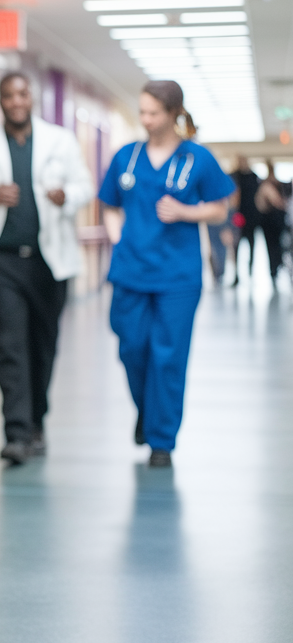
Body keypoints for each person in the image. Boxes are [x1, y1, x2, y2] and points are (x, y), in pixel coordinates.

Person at [0, 73, 94, 465]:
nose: (16, 101)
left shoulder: (60, 141)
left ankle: (36, 423)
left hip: (50, 261)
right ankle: (15, 433)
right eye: (8, 95)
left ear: (31, 98)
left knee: (43, 346)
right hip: (0, 260)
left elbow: (86, 187)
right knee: (10, 347)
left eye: (22, 94)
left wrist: (67, 196)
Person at [98, 80, 234, 468]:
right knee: (132, 348)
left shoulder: (198, 159)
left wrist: (186, 212)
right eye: (141, 112)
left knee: (169, 356)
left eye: (153, 113)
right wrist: (117, 234)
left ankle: (162, 439)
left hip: (177, 277)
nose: (145, 120)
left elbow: (220, 209)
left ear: (173, 114)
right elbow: (109, 204)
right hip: (130, 270)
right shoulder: (126, 157)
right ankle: (148, 411)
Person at [255, 160, 288, 284]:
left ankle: (275, 268)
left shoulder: (269, 184)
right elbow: (276, 201)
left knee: (274, 246)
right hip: (270, 221)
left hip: (271, 220)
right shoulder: (268, 185)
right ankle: (274, 269)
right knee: (274, 246)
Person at [229, 155, 260, 286]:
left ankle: (250, 271)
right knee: (236, 246)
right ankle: (236, 274)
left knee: (252, 245)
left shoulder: (253, 176)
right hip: (238, 216)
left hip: (251, 216)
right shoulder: (234, 176)